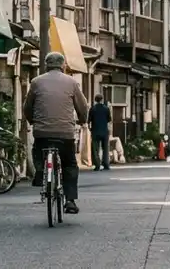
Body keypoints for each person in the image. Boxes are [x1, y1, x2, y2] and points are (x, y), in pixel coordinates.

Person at [24, 52, 89, 214]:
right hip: (65, 133)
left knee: (38, 150)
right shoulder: (72, 82)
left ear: (46, 65)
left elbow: (27, 107)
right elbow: (83, 107)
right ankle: (70, 201)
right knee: (69, 164)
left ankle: (40, 171)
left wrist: (33, 121)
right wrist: (82, 120)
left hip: (42, 132)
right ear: (63, 65)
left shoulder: (36, 82)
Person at [89, 94, 112, 171]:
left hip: (95, 131)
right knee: (105, 148)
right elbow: (109, 119)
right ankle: (106, 164)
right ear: (102, 99)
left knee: (96, 149)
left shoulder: (92, 109)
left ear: (95, 100)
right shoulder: (106, 109)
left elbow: (89, 120)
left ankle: (97, 165)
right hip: (104, 131)